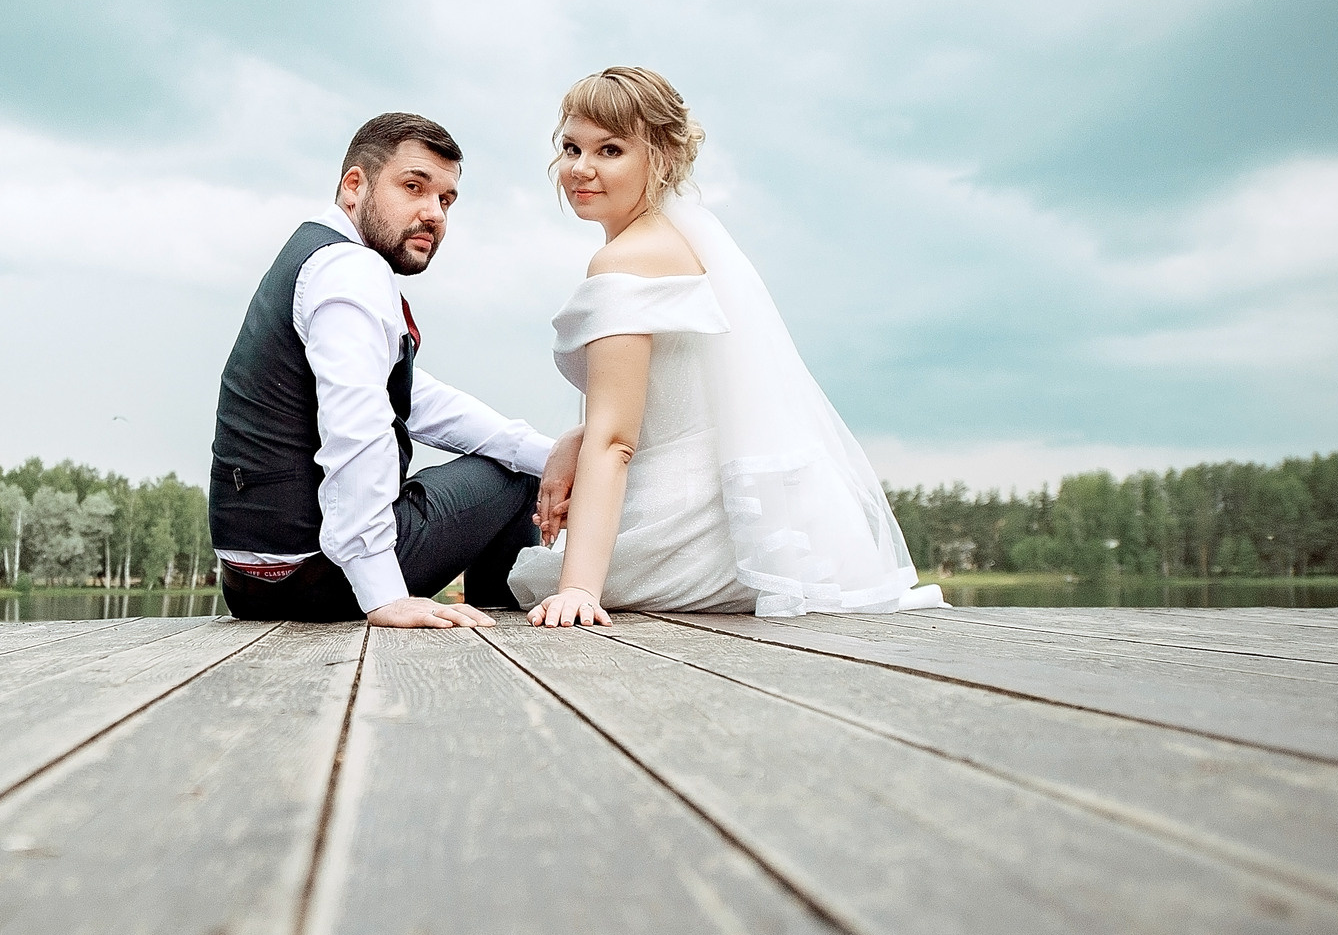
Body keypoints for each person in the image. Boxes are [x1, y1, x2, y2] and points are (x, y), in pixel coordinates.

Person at [513, 67, 944, 626]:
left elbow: (617, 440)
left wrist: (578, 590)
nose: (580, 169)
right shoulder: (683, 239)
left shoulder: (623, 259)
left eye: (610, 149)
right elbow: (678, 394)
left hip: (696, 530)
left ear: (661, 158)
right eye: (571, 147)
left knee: (528, 575)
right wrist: (574, 436)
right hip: (750, 519)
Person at [210, 112, 579, 627]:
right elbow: (356, 428)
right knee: (514, 479)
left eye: (446, 200)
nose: (434, 214)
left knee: (518, 458)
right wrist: (382, 594)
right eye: (413, 187)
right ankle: (510, 623)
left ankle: (495, 611)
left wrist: (550, 454)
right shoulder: (349, 270)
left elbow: (415, 399)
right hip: (322, 578)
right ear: (353, 187)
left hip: (249, 585)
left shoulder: (314, 258)